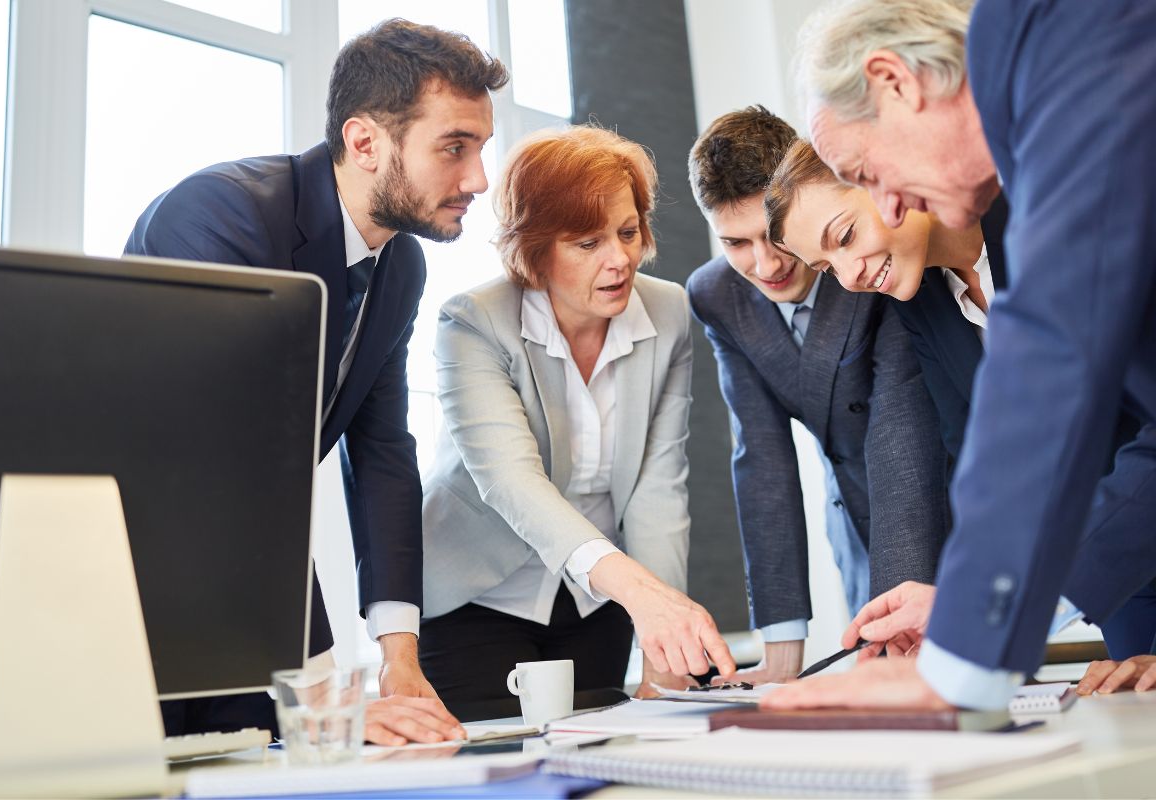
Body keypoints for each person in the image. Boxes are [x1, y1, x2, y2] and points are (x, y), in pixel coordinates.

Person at [761, 0, 1156, 712]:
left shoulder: (1074, 63)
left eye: (864, 171)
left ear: (894, 83)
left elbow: (1048, 376)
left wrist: (962, 653)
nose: (890, 200)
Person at [125, 18, 508, 743]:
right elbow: (233, 465)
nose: (478, 179)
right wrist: (328, 691)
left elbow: (384, 451)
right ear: (365, 142)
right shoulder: (221, 218)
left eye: (480, 148)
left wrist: (400, 656)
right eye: (454, 148)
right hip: (123, 595)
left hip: (242, 601)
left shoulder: (401, 267)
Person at [417, 126, 737, 710]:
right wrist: (640, 593)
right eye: (587, 243)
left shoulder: (668, 315)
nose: (620, 260)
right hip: (477, 592)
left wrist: (661, 638)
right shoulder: (473, 321)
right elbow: (512, 482)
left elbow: (657, 488)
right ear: (535, 249)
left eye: (627, 232)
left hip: (598, 603)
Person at [684, 107, 948, 683]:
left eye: (772, 235)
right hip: (853, 521)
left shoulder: (866, 262)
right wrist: (781, 646)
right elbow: (761, 459)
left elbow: (900, 430)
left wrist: (897, 614)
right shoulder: (714, 295)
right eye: (735, 242)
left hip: (938, 499)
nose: (766, 263)